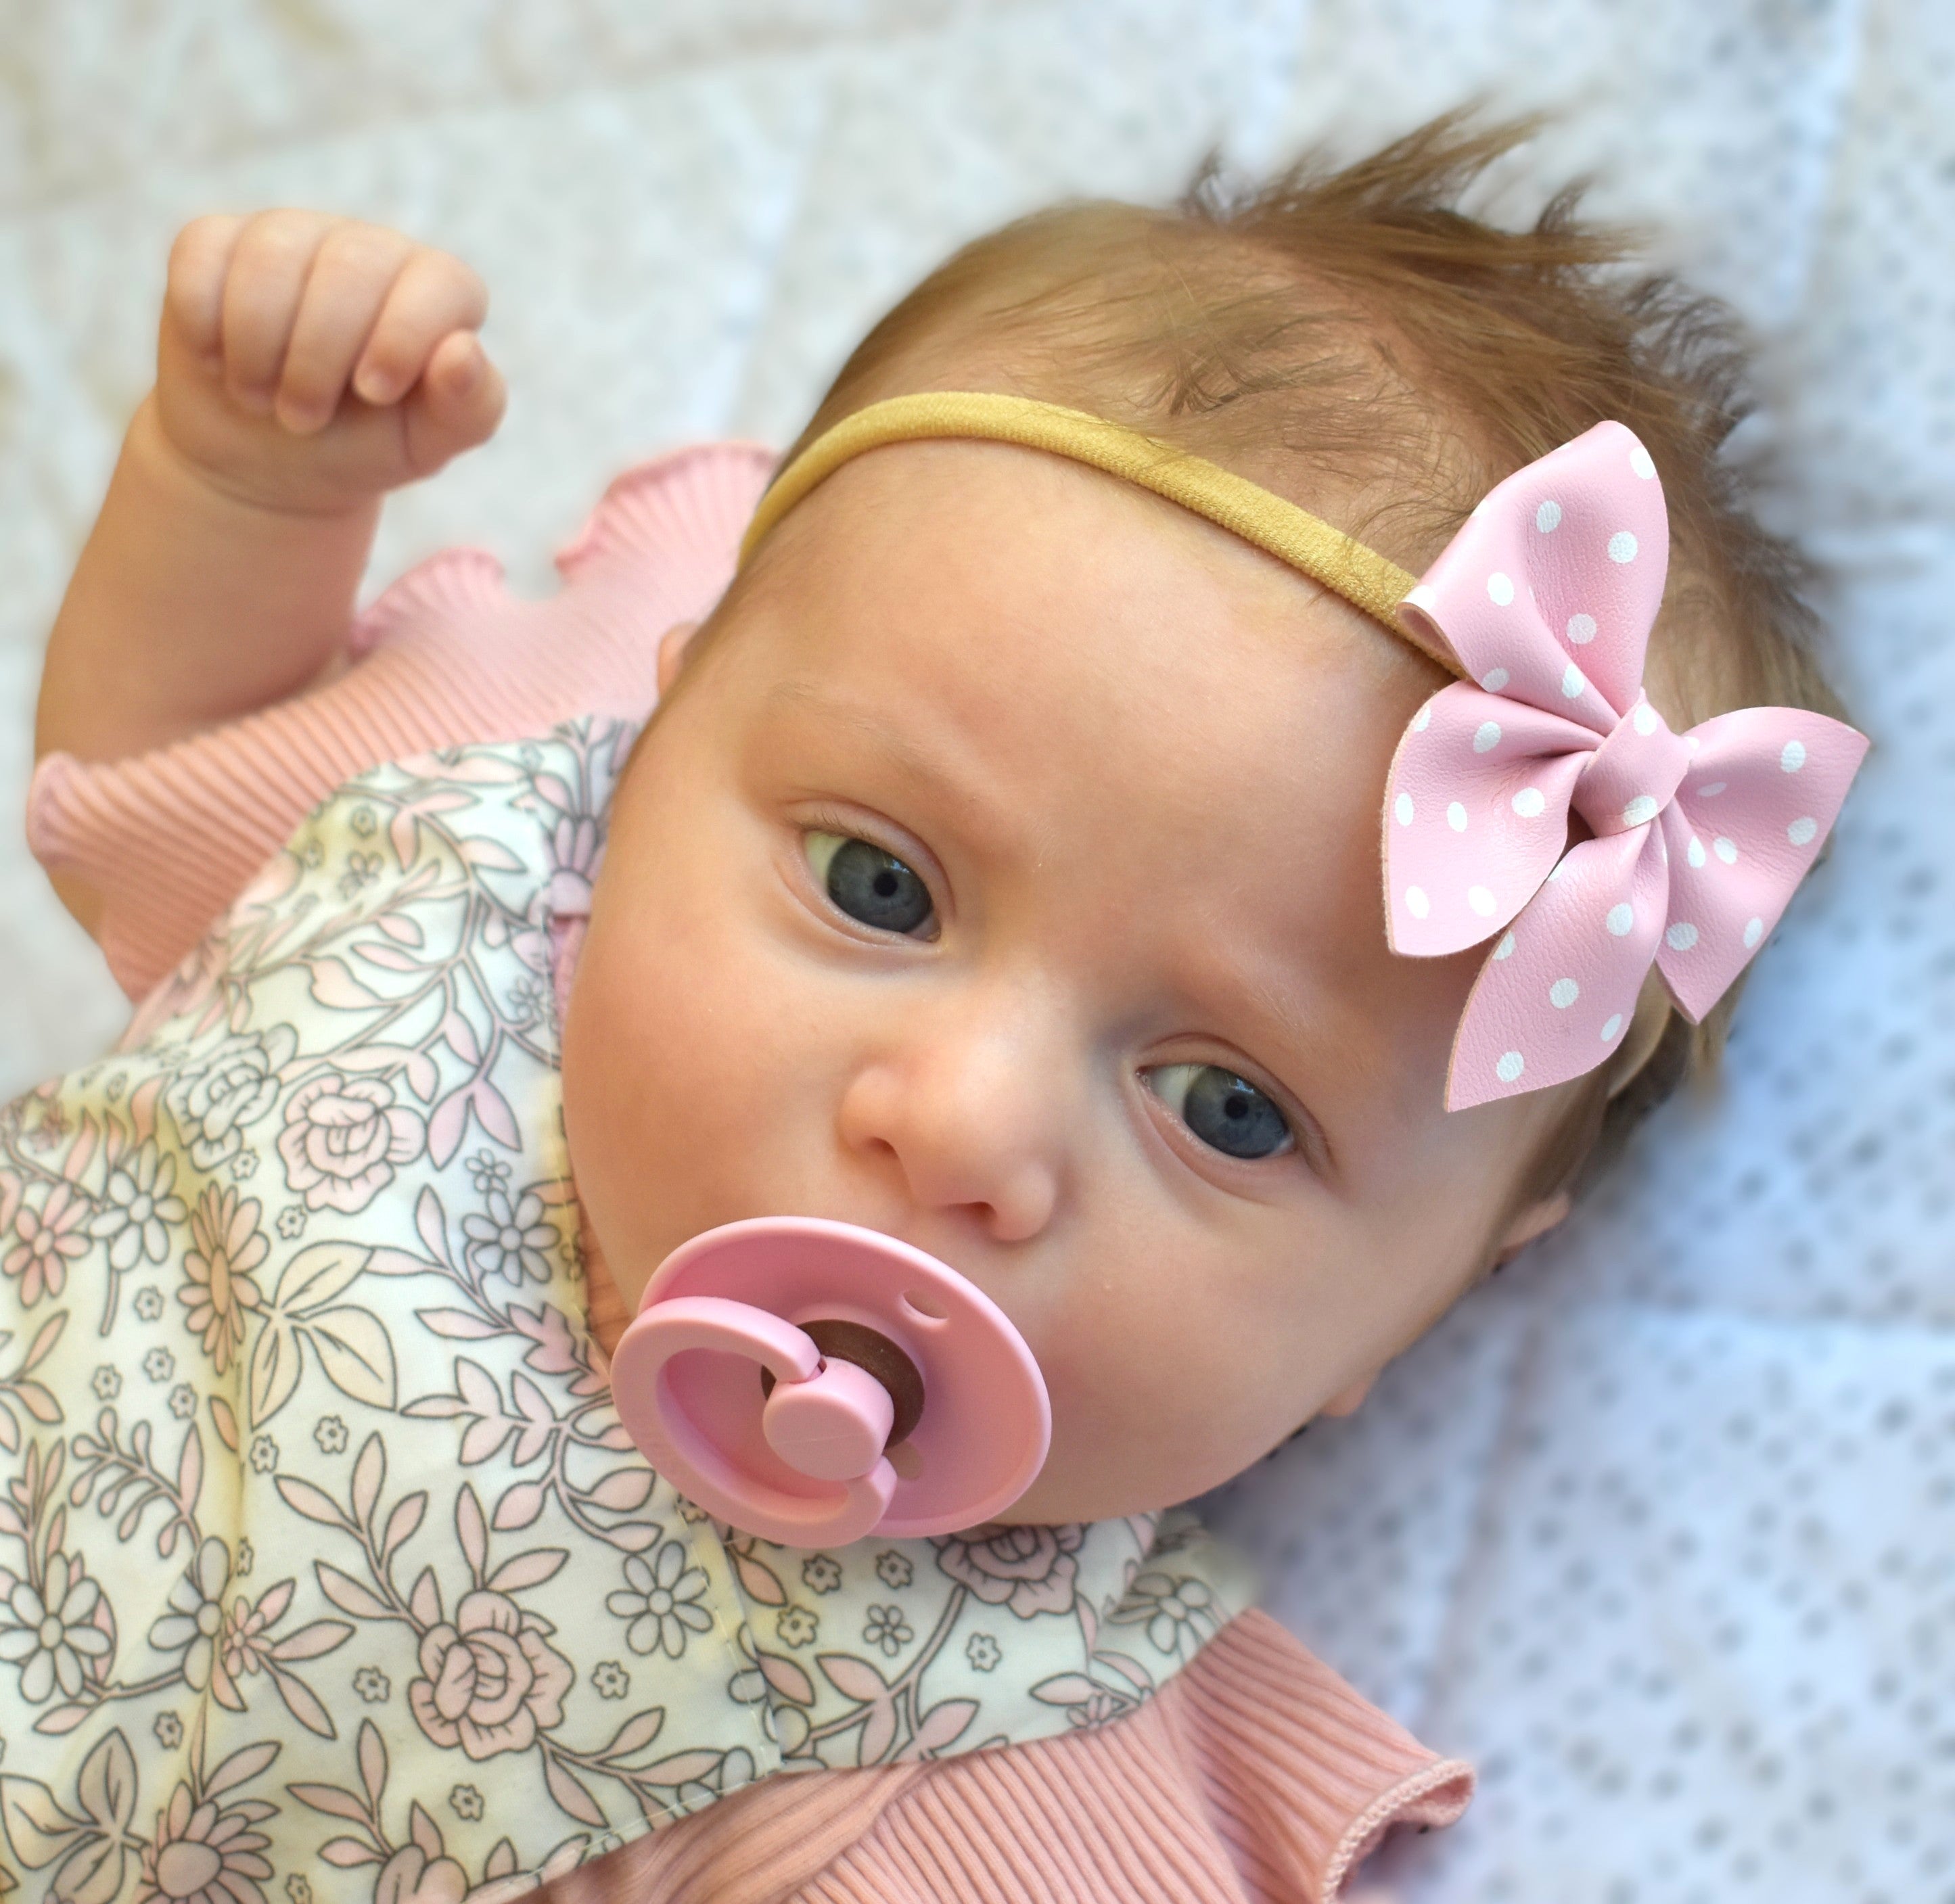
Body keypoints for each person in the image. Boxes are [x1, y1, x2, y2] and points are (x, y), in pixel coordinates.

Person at [8, 117, 1861, 1901]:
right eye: (877, 887)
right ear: (661, 735)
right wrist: (240, 493)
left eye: (1226, 1107)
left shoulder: (966, 1759)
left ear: (1432, 1298)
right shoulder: (454, 838)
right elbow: (158, 776)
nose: (965, 1125)